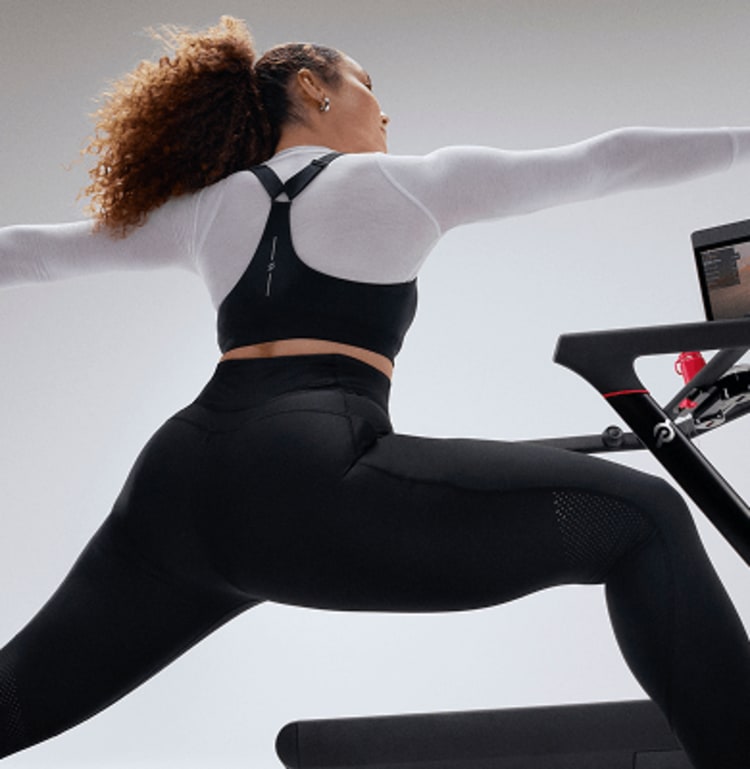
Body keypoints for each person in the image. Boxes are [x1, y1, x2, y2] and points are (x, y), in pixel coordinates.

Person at [0, 15, 748, 768]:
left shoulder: (206, 209)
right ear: (310, 87)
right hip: (307, 470)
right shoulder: (400, 183)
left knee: (15, 699)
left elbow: (29, 255)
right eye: (364, 83)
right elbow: (603, 162)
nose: (383, 110)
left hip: (175, 485)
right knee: (643, 517)